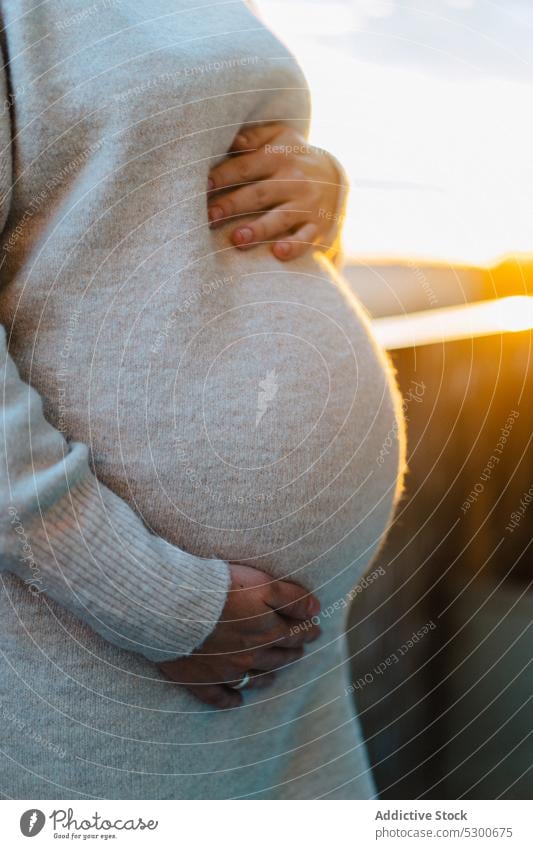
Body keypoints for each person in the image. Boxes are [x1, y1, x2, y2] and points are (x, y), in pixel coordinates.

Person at [0, 0, 404, 799]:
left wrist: (318, 192)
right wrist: (158, 601)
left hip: (289, 657)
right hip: (90, 636)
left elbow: (161, 213)